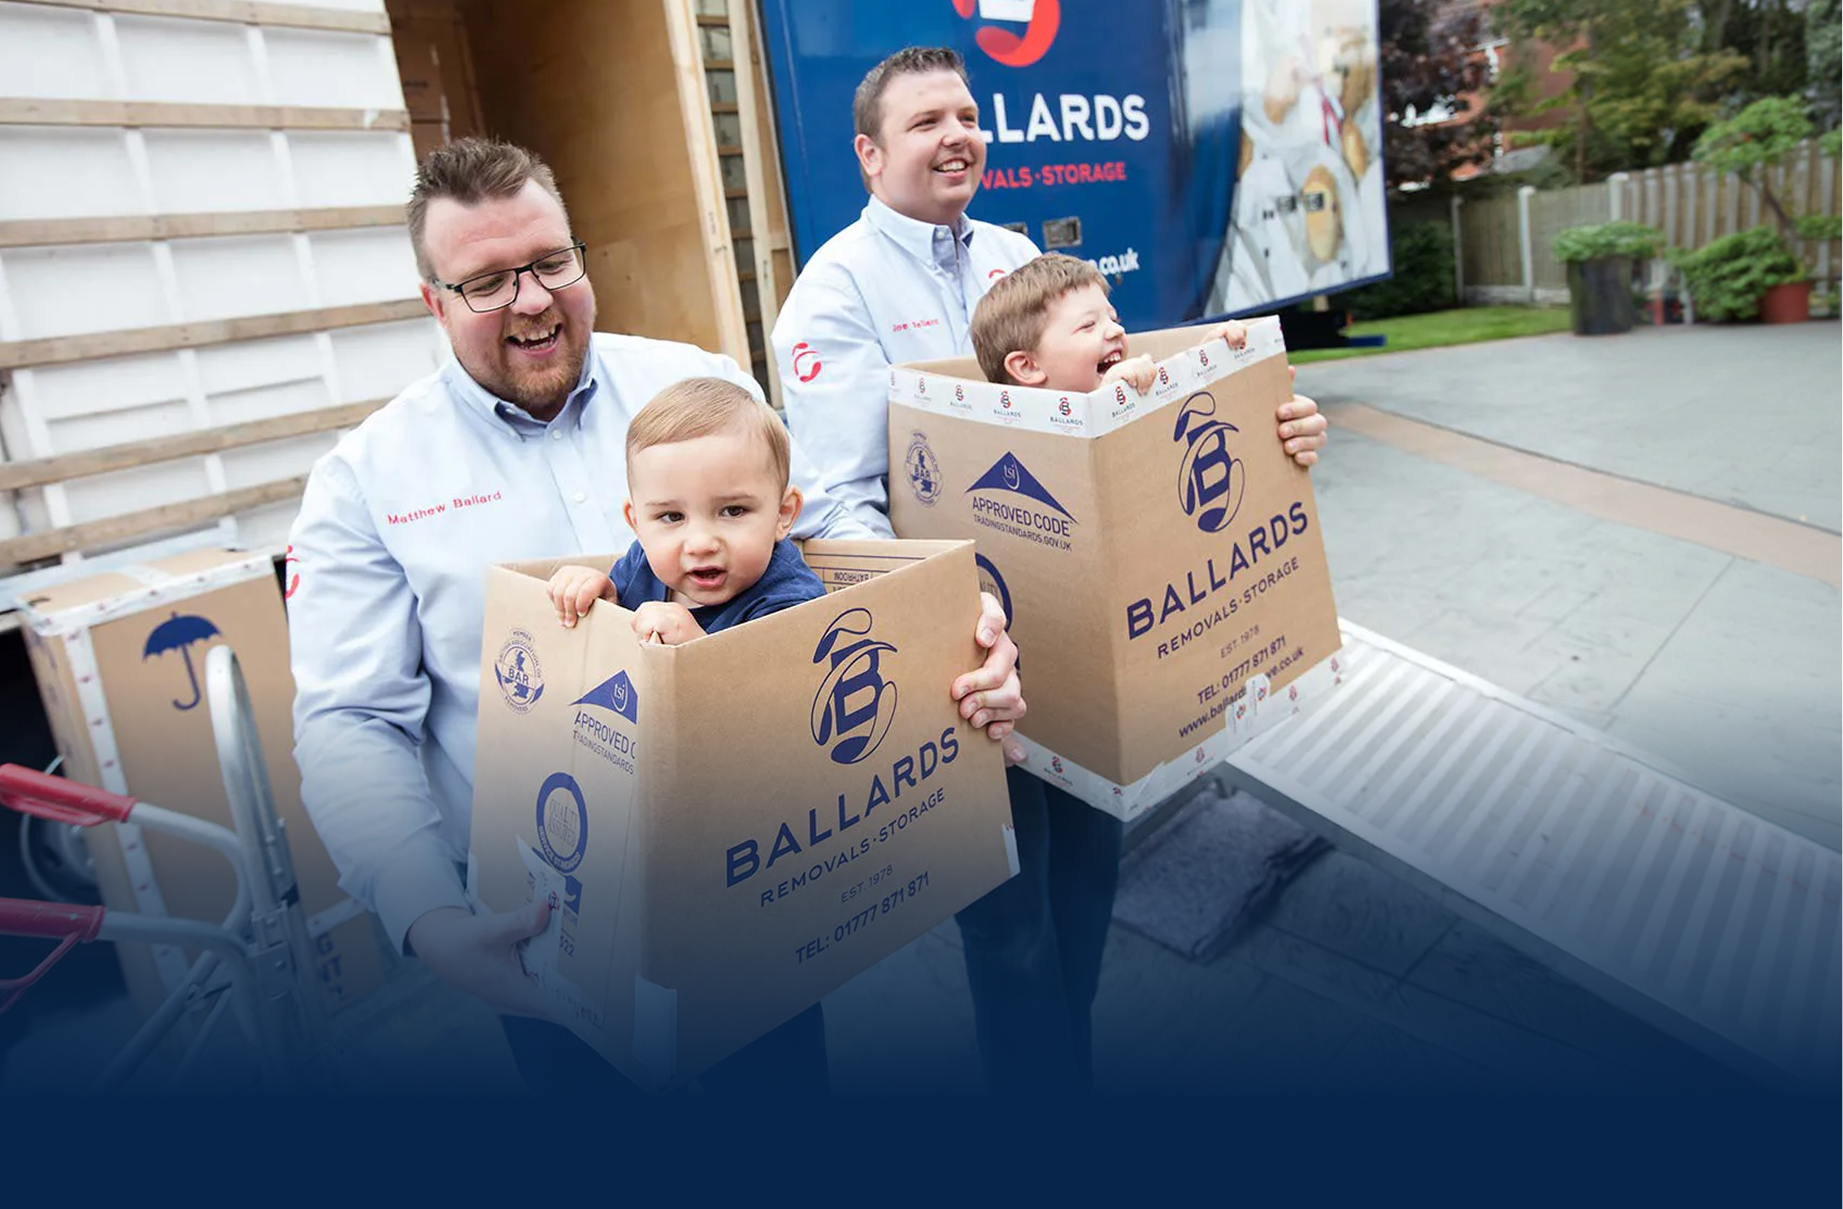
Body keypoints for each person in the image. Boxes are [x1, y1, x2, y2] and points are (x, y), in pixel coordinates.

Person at [286, 138, 1025, 1096]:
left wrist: (961, 626)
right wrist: (428, 920)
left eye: (552, 262)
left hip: (757, 896)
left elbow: (820, 548)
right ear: (434, 302)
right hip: (547, 935)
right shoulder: (366, 480)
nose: (533, 299)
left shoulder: (697, 382)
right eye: (486, 282)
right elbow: (350, 720)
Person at [772, 46, 1329, 1095]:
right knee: (1010, 930)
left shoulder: (1015, 256)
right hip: (967, 662)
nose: (955, 135)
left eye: (967, 115)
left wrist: (1268, 430)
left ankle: (1056, 1090)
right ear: (868, 151)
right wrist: (956, 611)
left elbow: (1120, 410)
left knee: (1082, 890)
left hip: (1078, 641)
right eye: (926, 120)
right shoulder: (834, 291)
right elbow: (838, 502)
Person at [545, 377, 823, 643]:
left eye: (733, 511)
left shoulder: (791, 604)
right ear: (637, 523)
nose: (701, 544)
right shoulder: (641, 563)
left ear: (783, 513)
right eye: (672, 517)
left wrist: (697, 652)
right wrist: (602, 599)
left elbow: (785, 686)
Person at [971, 252, 1248, 394]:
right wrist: (1106, 407)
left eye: (1114, 319)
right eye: (1088, 325)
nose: (1117, 330)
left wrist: (1209, 358)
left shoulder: (1132, 386)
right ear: (1028, 366)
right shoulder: (1026, 445)